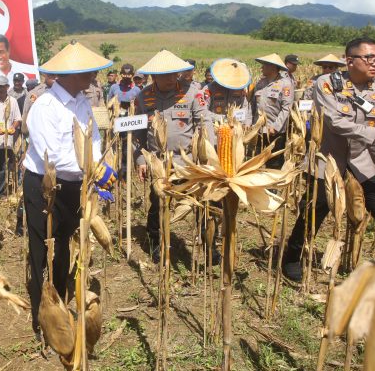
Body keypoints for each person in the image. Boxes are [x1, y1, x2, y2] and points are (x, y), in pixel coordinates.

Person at [282, 38, 375, 284]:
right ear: (349, 60)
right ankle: (292, 256)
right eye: (369, 58)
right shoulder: (327, 83)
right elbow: (335, 122)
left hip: (362, 161)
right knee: (314, 210)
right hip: (328, 159)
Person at [23, 41, 114, 340]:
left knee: (64, 247)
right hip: (44, 185)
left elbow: (93, 138)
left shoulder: (82, 102)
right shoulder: (44, 107)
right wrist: (92, 169)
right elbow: (52, 156)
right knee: (42, 251)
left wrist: (97, 165)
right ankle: (42, 319)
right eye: (88, 71)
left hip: (75, 183)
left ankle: (59, 306)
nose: (94, 76)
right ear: (72, 74)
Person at [133, 50, 211, 263]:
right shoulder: (144, 96)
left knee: (200, 203)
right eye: (165, 75)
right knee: (158, 203)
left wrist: (207, 154)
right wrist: (140, 159)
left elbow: (204, 124)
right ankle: (156, 242)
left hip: (188, 161)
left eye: (174, 74)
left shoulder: (192, 93)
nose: (171, 79)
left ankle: (209, 244)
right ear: (154, 76)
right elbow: (138, 132)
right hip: (158, 162)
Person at [250, 54, 294, 168]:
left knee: (274, 164)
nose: (261, 68)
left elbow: (286, 108)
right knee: (256, 163)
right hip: (259, 130)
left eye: (264, 65)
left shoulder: (285, 84)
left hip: (274, 131)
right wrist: (251, 124)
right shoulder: (260, 83)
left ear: (273, 67)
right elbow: (253, 105)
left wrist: (275, 127)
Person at [204, 59, 252, 126]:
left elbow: (246, 110)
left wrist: (245, 125)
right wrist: (223, 118)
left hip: (236, 126)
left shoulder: (239, 89)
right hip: (215, 126)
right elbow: (203, 111)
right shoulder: (209, 88)